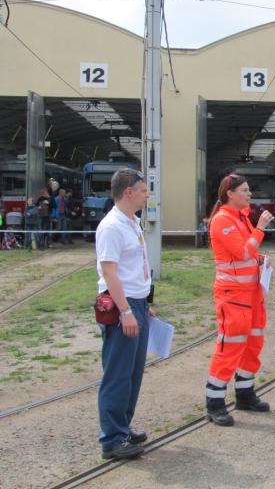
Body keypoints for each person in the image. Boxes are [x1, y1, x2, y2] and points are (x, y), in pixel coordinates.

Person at [205, 173, 274, 426]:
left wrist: (260, 261)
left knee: (253, 344)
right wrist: (261, 229)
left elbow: (247, 255)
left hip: (252, 296)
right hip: (233, 298)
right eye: (244, 190)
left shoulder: (240, 217)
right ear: (230, 194)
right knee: (229, 348)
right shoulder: (222, 220)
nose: (249, 194)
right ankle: (214, 404)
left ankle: (245, 394)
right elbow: (243, 250)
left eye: (248, 190)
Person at [95, 169, 153, 460]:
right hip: (122, 306)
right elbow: (109, 272)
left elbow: (135, 267)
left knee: (132, 373)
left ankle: (122, 426)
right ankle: (112, 439)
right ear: (128, 192)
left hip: (137, 303)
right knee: (118, 374)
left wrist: (144, 302)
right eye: (143, 190)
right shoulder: (111, 227)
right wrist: (127, 311)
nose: (147, 194)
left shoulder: (133, 222)